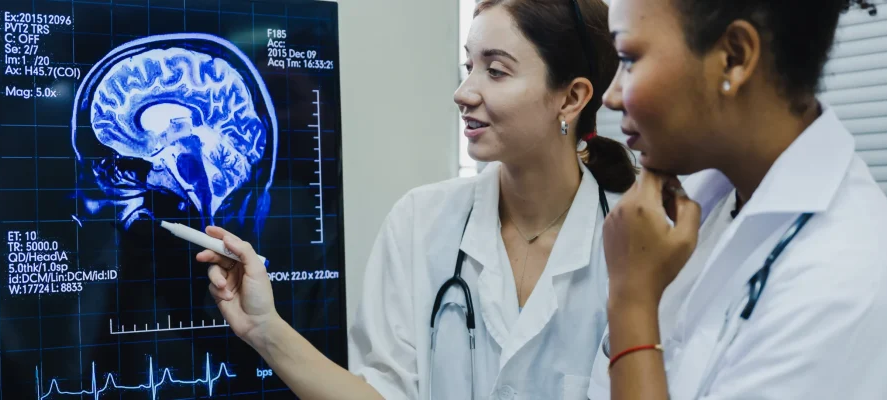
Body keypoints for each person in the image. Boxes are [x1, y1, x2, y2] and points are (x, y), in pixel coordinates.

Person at [198, 0, 638, 399]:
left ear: (572, 97)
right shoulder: (420, 220)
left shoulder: (637, 243)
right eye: (468, 66)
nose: (464, 92)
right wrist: (264, 328)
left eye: (496, 70)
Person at [584, 0, 887, 399]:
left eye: (628, 58)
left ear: (734, 57)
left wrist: (631, 300)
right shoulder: (701, 200)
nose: (611, 96)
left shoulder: (847, 277)